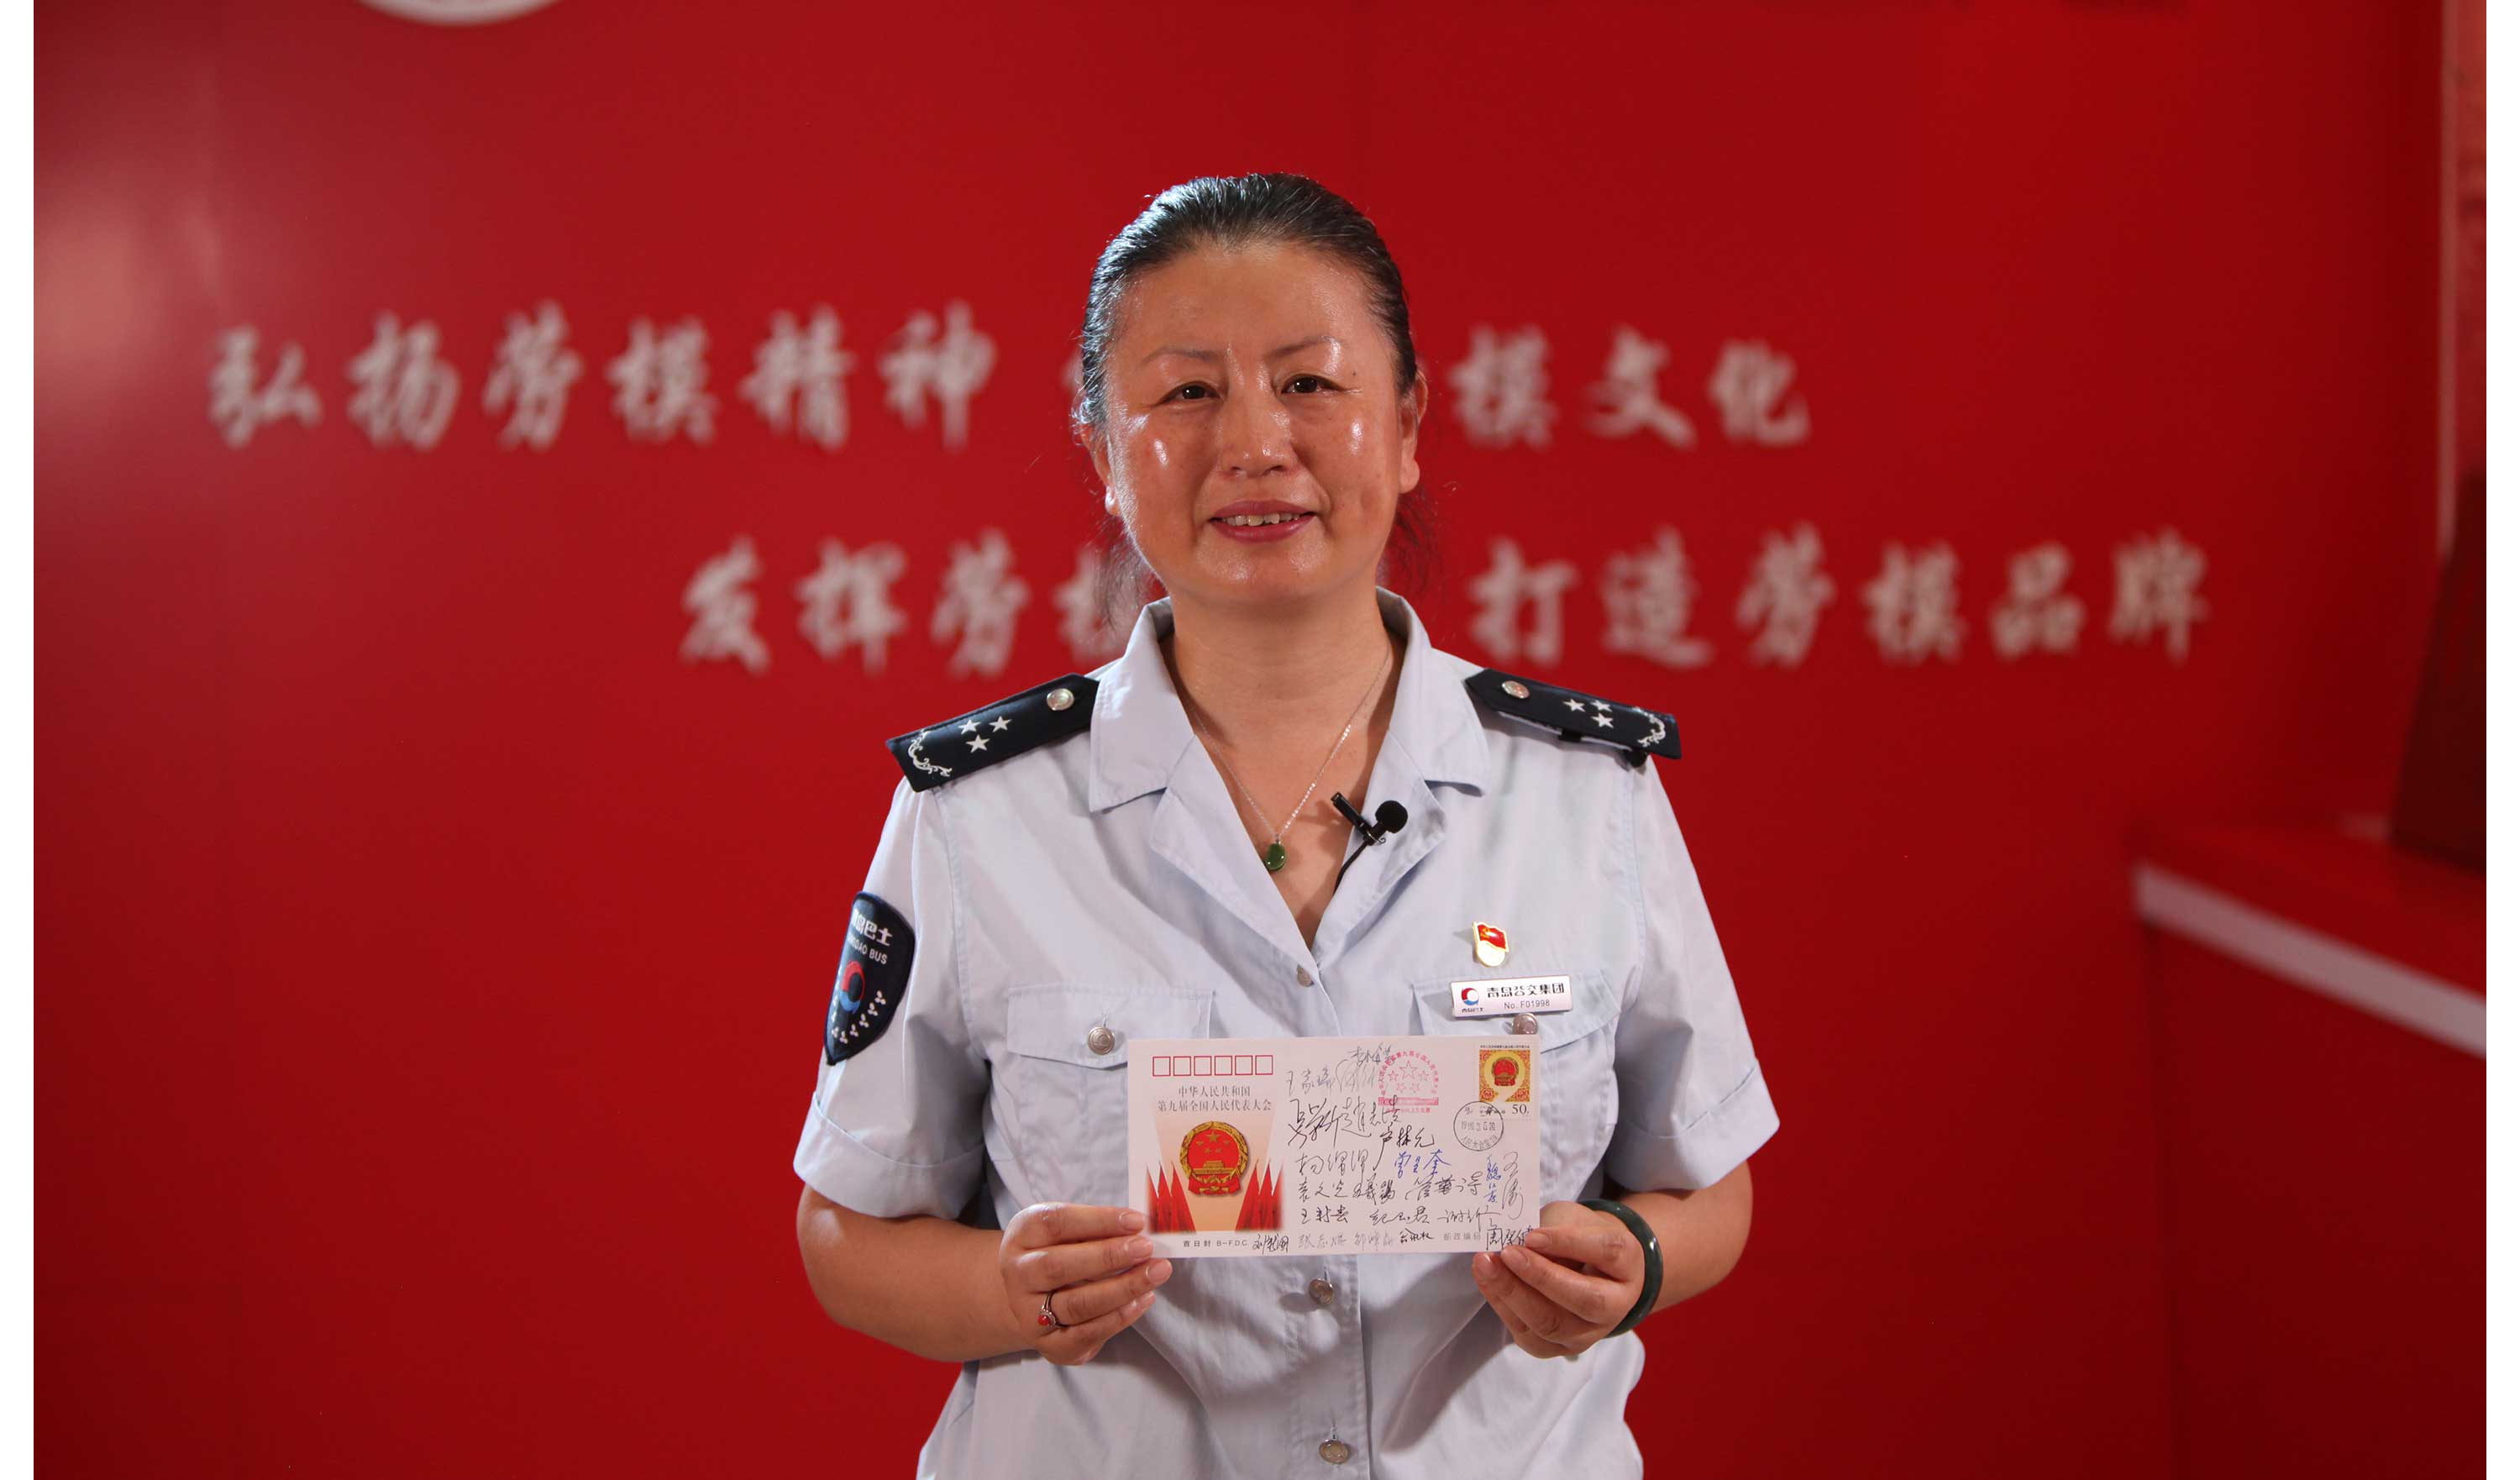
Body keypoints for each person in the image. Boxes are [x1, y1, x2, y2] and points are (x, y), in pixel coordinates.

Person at [793, 172, 1779, 1477]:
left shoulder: (1585, 795)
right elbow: (846, 1231)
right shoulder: (980, 814)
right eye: (1186, 393)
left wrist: (1638, 1259)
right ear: (1102, 453)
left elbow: (1709, 1177)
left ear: (1409, 424)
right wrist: (1003, 1288)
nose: (1256, 443)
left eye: (1310, 383)